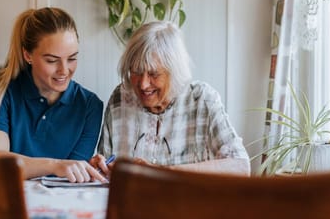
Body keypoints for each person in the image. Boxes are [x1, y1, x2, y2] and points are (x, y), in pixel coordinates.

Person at [93, 21, 250, 176]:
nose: (143, 84)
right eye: (136, 71)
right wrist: (99, 167)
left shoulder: (201, 100)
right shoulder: (120, 99)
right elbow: (104, 170)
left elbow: (241, 166)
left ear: (174, 71)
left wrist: (163, 173)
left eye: (154, 74)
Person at [0, 7, 107, 182]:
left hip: (61, 204)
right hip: (6, 201)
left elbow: (71, 177)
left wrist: (83, 169)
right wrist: (55, 165)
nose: (64, 70)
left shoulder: (90, 106)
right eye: (52, 60)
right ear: (28, 55)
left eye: (72, 58)